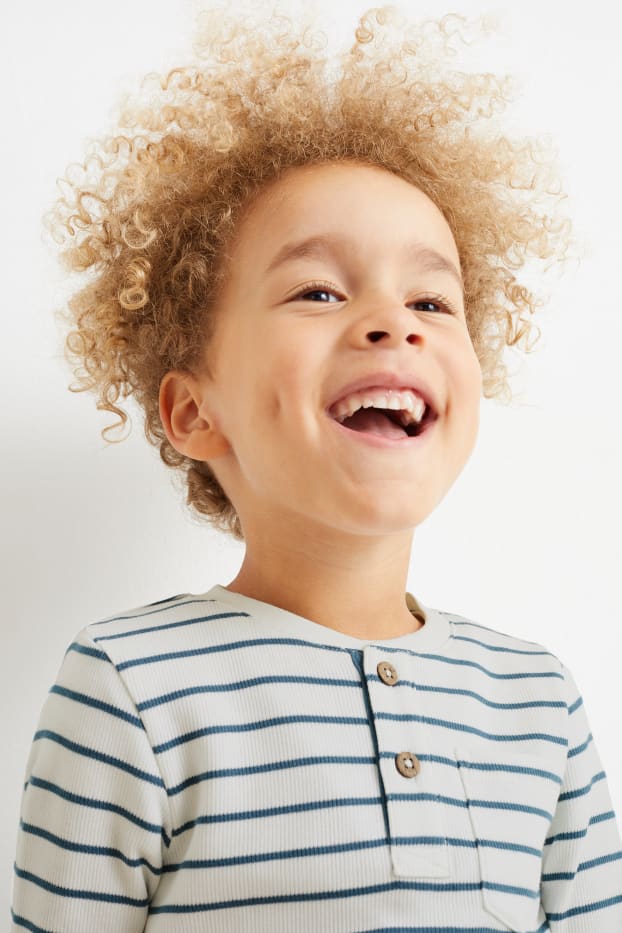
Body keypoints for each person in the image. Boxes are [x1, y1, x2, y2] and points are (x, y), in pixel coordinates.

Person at [10, 5, 622, 932]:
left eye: (431, 300)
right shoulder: (131, 685)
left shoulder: (537, 700)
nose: (394, 322)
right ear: (194, 411)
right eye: (319, 290)